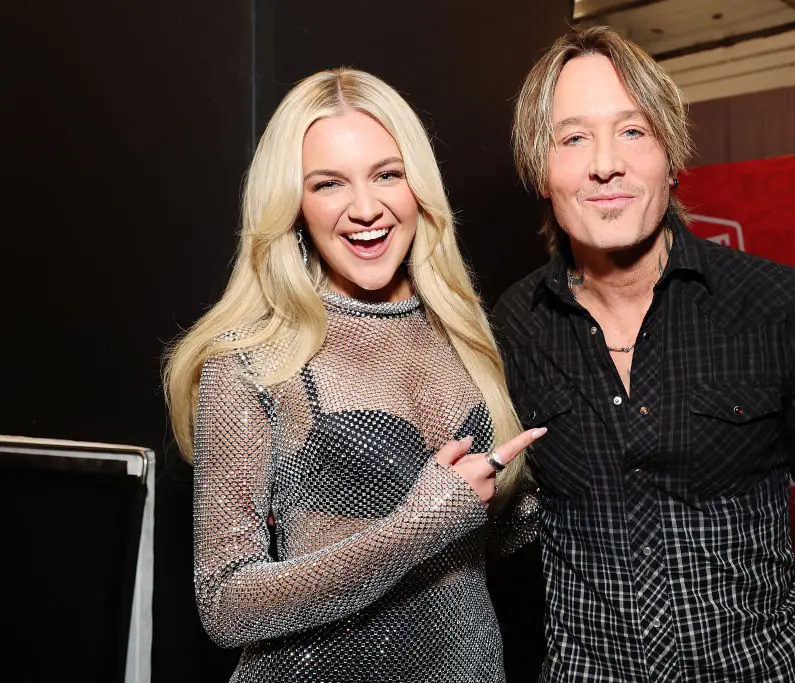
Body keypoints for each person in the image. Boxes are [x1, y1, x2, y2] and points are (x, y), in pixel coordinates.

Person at [493, 26, 795, 683]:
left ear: (671, 159)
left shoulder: (779, 305)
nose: (605, 163)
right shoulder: (510, 326)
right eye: (573, 137)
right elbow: (505, 528)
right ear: (542, 170)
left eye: (632, 131)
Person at [163, 67, 544, 683]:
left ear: (418, 187)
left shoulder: (469, 337)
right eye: (328, 184)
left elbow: (492, 544)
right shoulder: (254, 358)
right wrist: (422, 521)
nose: (365, 208)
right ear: (293, 206)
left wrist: (535, 493)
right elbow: (225, 606)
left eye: (387, 175)